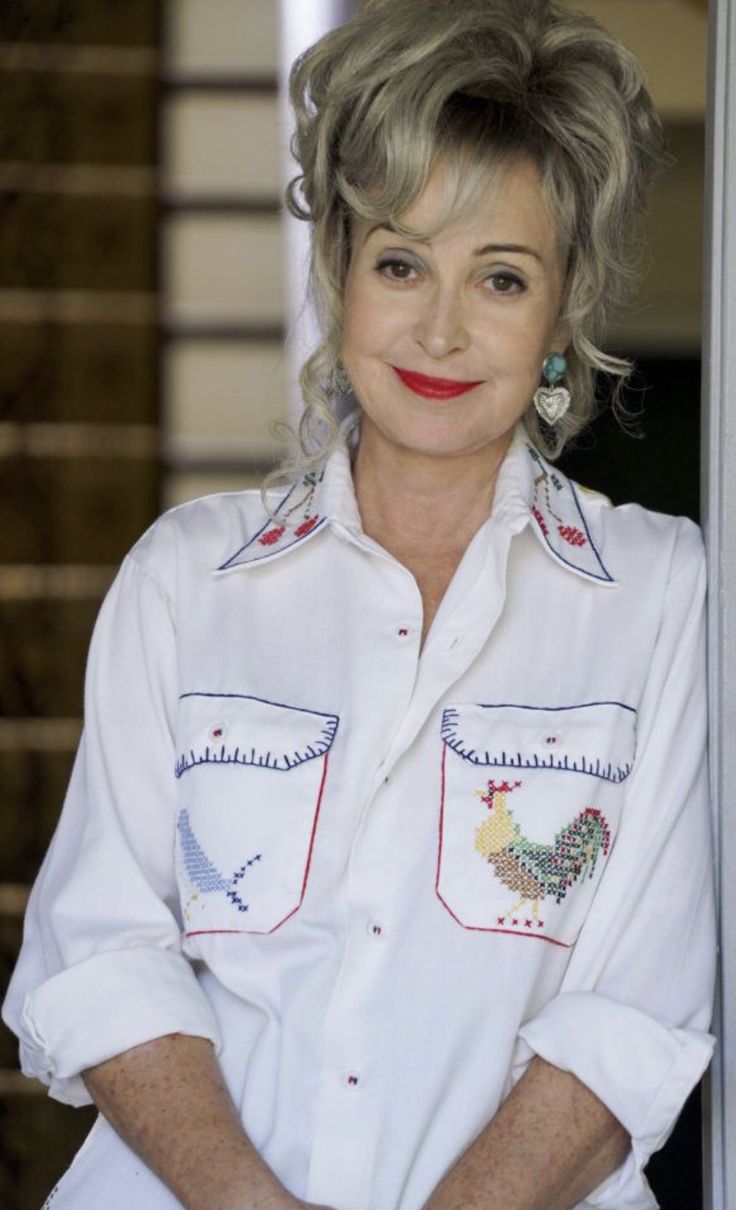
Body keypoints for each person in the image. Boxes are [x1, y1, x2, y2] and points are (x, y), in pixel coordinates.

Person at [3, 1, 716, 1208]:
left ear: (560, 316)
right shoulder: (187, 575)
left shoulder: (665, 594)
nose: (441, 328)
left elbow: (638, 1008)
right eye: (400, 263)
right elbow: (99, 956)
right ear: (339, 271)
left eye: (500, 276)